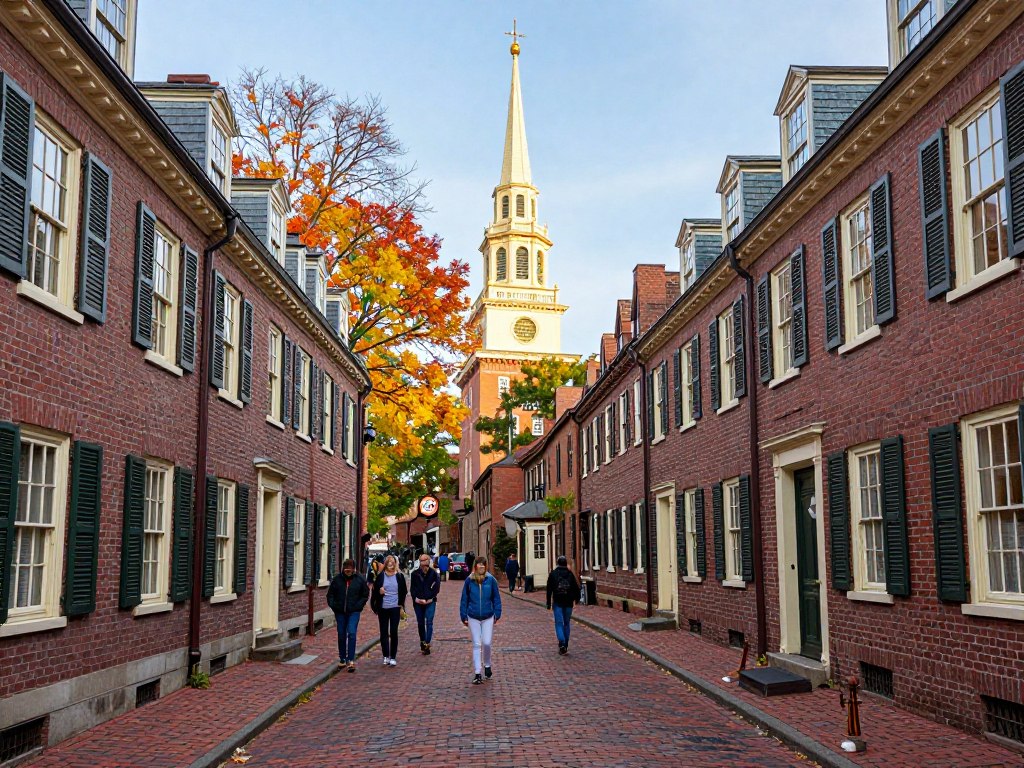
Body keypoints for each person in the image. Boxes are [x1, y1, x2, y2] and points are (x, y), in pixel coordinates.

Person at [459, 557, 502, 685]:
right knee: (477, 644)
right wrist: (463, 615)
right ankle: (478, 672)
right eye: (479, 565)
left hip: (488, 615)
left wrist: (497, 613)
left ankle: (487, 665)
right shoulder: (469, 580)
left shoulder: (491, 580)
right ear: (475, 566)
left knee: (487, 642)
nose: (481, 567)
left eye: (483, 565)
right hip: (473, 615)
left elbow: (496, 598)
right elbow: (464, 599)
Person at [326, 558, 369, 671]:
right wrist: (334, 606)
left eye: (350, 569)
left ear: (354, 569)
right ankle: (342, 658)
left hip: (354, 612)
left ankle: (351, 660)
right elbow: (330, 595)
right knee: (341, 634)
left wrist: (358, 606)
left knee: (352, 633)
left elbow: (365, 594)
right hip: (340, 612)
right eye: (346, 569)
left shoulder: (359, 580)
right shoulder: (337, 580)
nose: (348, 571)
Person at [370, 554, 407, 666]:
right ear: (385, 564)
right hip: (383, 607)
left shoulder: (399, 576)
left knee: (394, 631)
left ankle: (393, 656)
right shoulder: (381, 576)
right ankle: (385, 655)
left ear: (395, 564)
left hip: (395, 607)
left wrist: (401, 605)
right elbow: (375, 591)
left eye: (392, 562)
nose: (390, 564)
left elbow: (404, 591)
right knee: (384, 632)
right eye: (388, 562)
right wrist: (379, 591)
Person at [546, 556, 580, 655]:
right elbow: (576, 588)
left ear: (557, 563)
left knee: (559, 623)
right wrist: (576, 600)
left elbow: (549, 590)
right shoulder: (570, 575)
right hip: (568, 602)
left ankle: (562, 642)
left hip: (558, 602)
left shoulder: (553, 574)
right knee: (567, 623)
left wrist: (548, 603)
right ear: (566, 564)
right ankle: (565, 644)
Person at [410, 553, 441, 654]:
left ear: (429, 561)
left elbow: (436, 588)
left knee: (429, 622)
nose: (424, 564)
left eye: (425, 561)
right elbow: (412, 589)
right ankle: (422, 641)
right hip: (418, 602)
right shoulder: (415, 574)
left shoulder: (434, 574)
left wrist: (430, 598)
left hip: (430, 602)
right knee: (420, 623)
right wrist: (416, 599)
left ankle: (427, 643)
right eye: (422, 561)